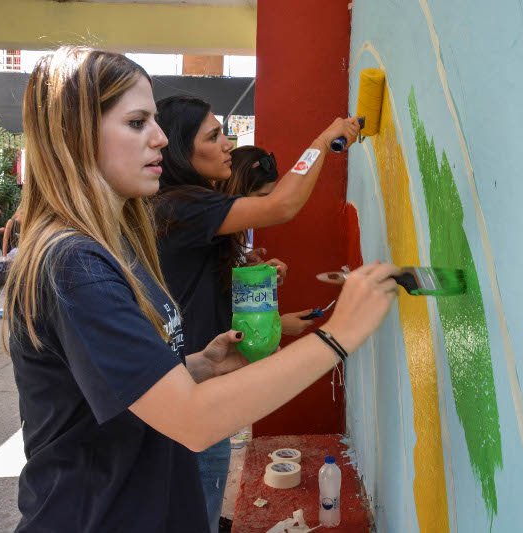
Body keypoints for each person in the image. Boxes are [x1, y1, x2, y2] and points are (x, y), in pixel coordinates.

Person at [3, 46, 397, 533]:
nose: (160, 139)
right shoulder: (74, 265)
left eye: (156, 121)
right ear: (75, 137)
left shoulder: (116, 245)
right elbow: (191, 421)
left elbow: (109, 389)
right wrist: (339, 335)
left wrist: (197, 366)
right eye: (137, 123)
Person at [153, 96, 360, 532]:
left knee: (200, 501)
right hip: (189, 382)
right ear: (179, 153)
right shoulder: (177, 205)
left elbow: (195, 285)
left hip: (200, 374)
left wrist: (250, 277)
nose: (228, 143)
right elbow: (283, 205)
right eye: (213, 136)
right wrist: (324, 141)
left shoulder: (186, 203)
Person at [217, 145, 318, 337]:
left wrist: (248, 273)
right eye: (263, 199)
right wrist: (278, 326)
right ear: (237, 193)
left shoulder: (227, 237)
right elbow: (216, 318)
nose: (267, 208)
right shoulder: (212, 238)